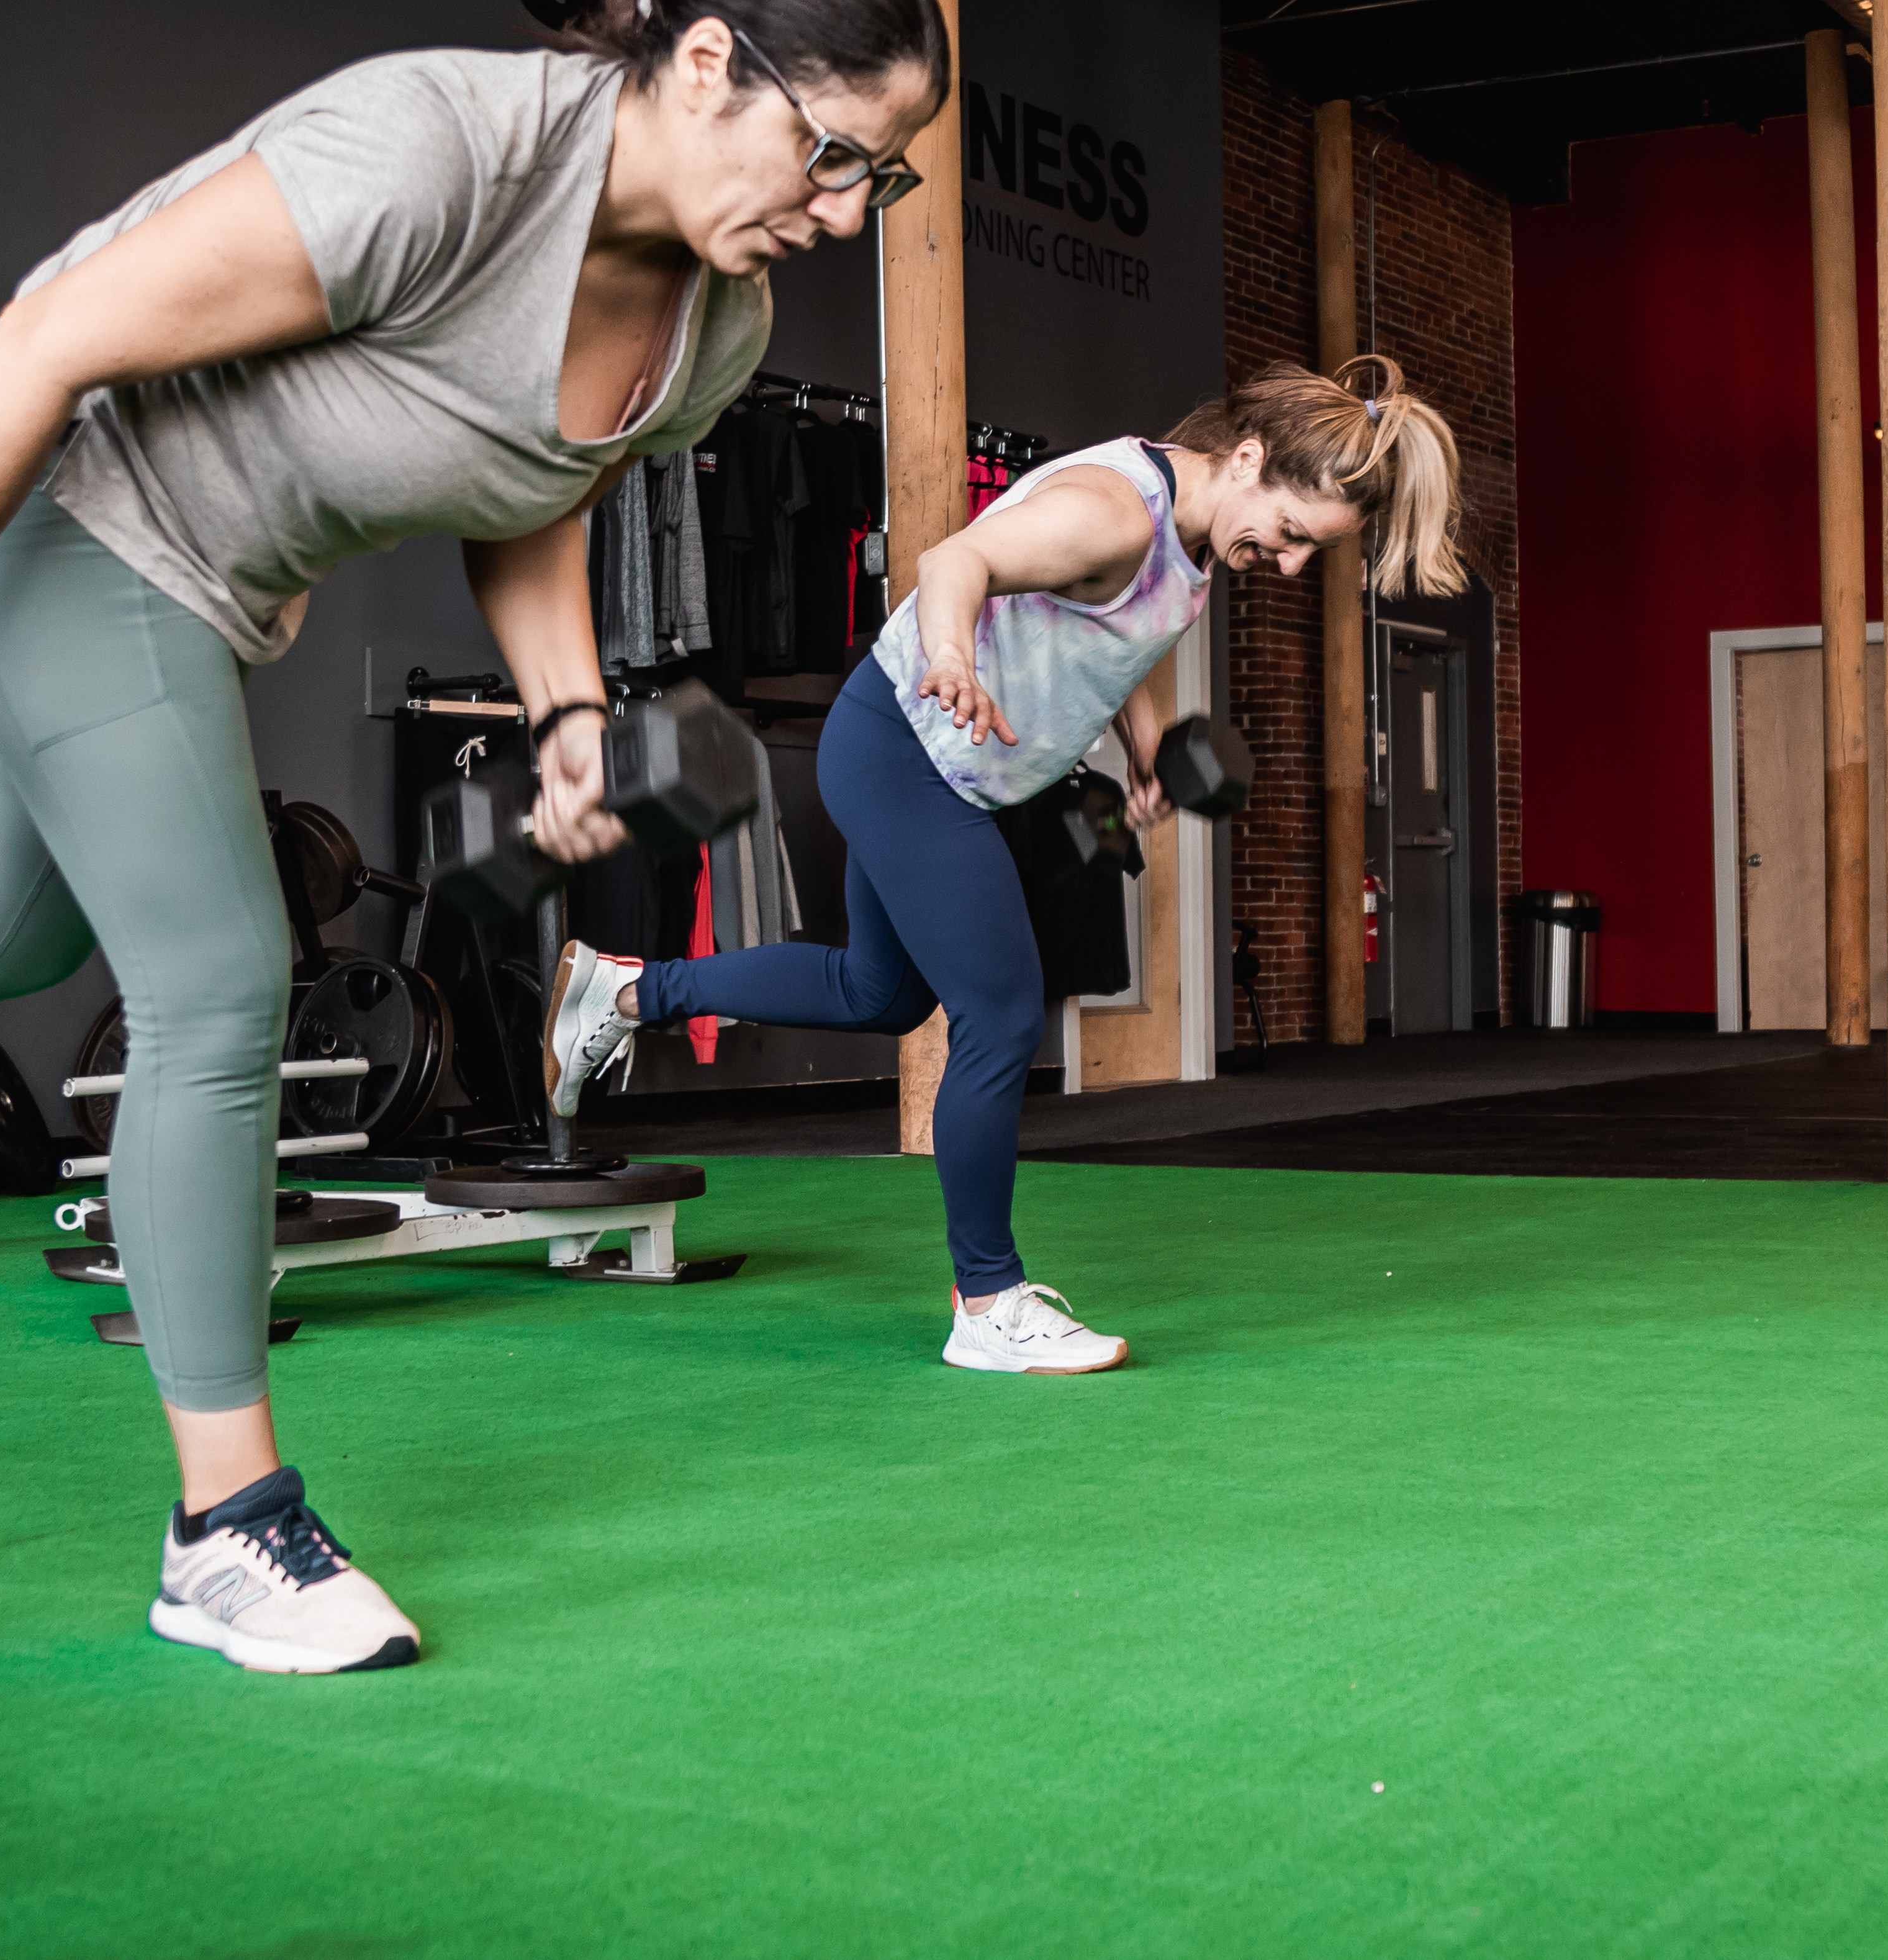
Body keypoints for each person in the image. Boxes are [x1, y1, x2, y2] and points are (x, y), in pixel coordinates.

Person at [0, 0, 951, 1673]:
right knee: (214, 978)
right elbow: (45, 335)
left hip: (211, 594)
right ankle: (227, 1525)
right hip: (79, 534)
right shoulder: (438, 154)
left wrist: (572, 714)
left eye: (878, 182)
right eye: (831, 156)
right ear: (712, 65)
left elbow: (536, 496)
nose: (837, 212)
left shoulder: (710, 326)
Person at [536, 358, 1465, 1370]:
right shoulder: (1112, 512)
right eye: (1290, 535)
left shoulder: (1189, 529)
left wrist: (1147, 743)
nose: (1286, 564)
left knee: (876, 990)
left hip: (934, 763)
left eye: (1306, 555)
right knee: (1002, 1013)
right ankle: (985, 1301)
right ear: (1247, 460)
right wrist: (950, 656)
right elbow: (953, 562)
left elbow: (1128, 635)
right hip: (907, 748)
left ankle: (622, 991)